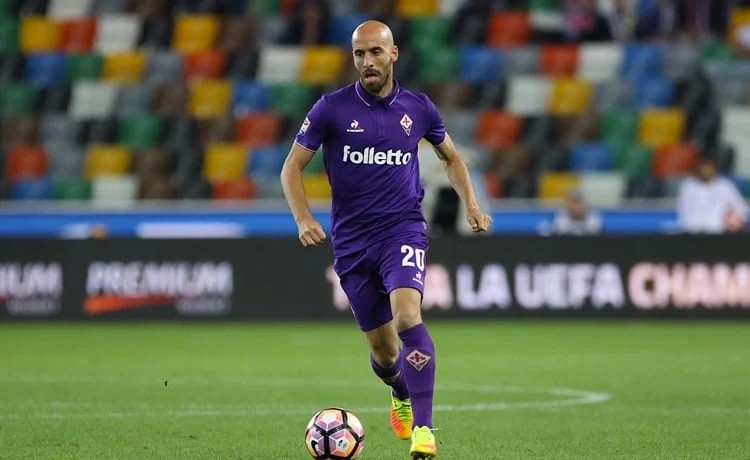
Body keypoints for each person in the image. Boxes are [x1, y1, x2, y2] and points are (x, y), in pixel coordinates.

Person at [280, 20, 492, 459]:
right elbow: (291, 167)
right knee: (383, 350)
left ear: (393, 54)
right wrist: (302, 218)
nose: (367, 62)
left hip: (403, 228)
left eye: (375, 52)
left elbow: (451, 157)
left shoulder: (419, 108)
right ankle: (399, 389)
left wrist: (470, 202)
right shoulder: (330, 109)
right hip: (352, 242)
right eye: (359, 54)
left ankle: (424, 429)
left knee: (407, 317)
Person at [676, 155, 748, 234]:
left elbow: (741, 208)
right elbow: (683, 210)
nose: (706, 171)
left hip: (719, 232)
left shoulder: (724, 185)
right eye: (703, 168)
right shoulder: (688, 186)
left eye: (709, 168)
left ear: (715, 169)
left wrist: (733, 221)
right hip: (692, 232)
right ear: (697, 169)